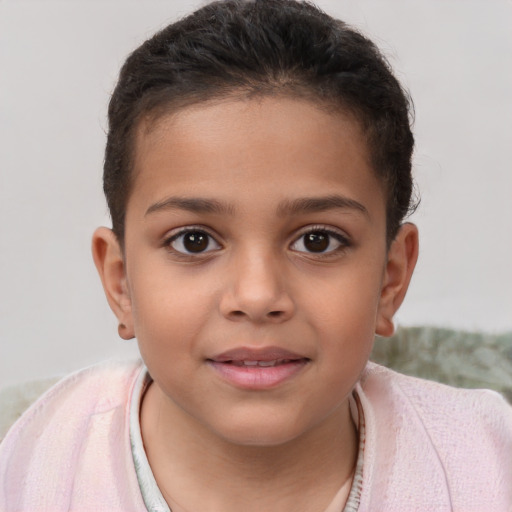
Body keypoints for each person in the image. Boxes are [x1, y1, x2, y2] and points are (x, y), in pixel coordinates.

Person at [0, 1, 511, 510]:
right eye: (194, 240)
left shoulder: (489, 465)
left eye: (318, 240)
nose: (258, 296)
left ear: (389, 279)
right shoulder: (23, 464)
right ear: (120, 282)